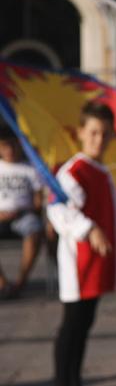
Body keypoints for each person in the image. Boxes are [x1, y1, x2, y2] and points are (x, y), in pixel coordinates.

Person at [47, 101, 116, 386]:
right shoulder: (74, 171)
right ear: (80, 133)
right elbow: (57, 208)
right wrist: (88, 229)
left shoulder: (101, 171)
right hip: (79, 264)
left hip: (96, 263)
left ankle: (75, 384)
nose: (98, 140)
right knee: (73, 324)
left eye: (104, 134)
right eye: (93, 133)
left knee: (84, 323)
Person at [0, 126, 43, 298]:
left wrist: (24, 210)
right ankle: (2, 283)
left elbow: (38, 201)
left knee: (34, 230)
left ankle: (20, 282)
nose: (9, 150)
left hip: (23, 215)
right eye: (4, 146)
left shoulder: (30, 168)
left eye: (13, 145)